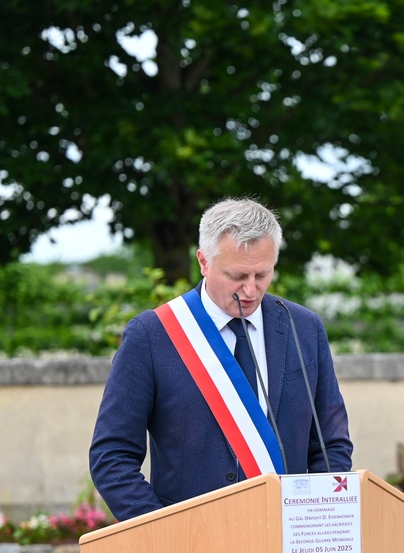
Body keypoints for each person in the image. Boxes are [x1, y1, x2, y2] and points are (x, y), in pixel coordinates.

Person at [90, 197, 353, 521]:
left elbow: (332, 444)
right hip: (189, 545)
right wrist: (161, 531)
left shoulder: (304, 328)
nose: (251, 290)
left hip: (287, 540)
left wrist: (319, 522)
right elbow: (112, 456)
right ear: (203, 261)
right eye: (237, 276)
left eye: (263, 274)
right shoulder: (152, 335)